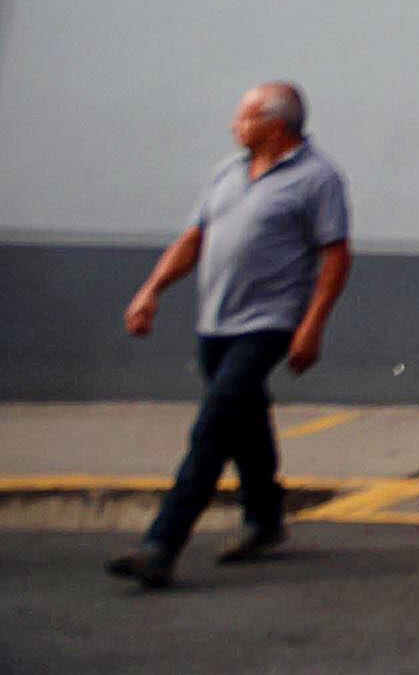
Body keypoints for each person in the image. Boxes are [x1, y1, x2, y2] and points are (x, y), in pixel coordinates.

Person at [107, 81, 353, 589]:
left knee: (213, 428)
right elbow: (193, 238)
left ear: (275, 126)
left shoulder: (318, 178)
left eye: (243, 117)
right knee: (245, 420)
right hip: (216, 322)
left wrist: (312, 325)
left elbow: (335, 256)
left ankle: (161, 545)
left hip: (269, 322)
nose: (232, 125)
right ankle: (264, 518)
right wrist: (151, 290)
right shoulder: (227, 171)